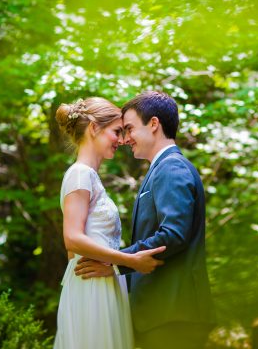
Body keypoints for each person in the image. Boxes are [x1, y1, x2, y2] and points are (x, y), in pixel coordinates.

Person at [75, 91, 216, 349]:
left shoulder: (171, 167)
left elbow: (173, 234)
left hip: (174, 313)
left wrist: (117, 263)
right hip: (163, 314)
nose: (125, 139)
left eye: (129, 129)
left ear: (153, 124)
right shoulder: (162, 168)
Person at [53, 96, 166, 349]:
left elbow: (76, 250)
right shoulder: (80, 174)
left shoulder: (90, 177)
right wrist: (128, 261)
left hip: (103, 282)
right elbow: (72, 239)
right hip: (92, 288)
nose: (124, 140)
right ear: (94, 128)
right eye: (117, 131)